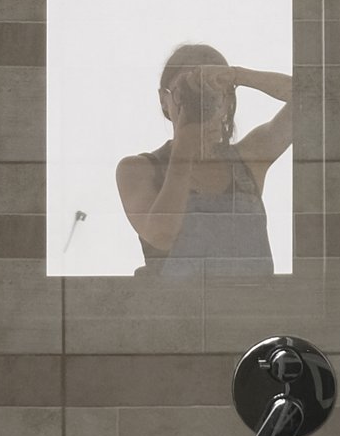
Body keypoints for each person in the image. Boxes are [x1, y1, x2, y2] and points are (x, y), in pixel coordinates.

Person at [116, 44, 294, 275]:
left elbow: (314, 98)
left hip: (255, 308)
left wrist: (237, 75)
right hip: (180, 309)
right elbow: (162, 236)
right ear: (164, 100)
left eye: (214, 93)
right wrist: (186, 143)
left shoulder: (247, 159)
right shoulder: (138, 169)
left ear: (228, 100)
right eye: (187, 92)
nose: (201, 101)